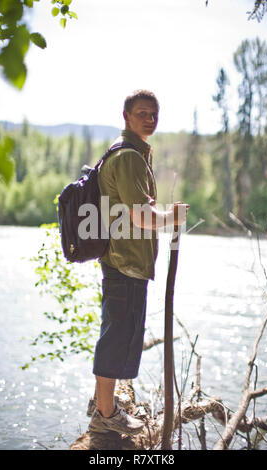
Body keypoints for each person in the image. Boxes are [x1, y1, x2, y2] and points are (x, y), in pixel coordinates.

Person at [88, 90, 189, 435]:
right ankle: (105, 414)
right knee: (117, 336)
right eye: (143, 113)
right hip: (125, 261)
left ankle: (106, 405)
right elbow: (140, 216)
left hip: (123, 260)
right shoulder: (129, 156)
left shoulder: (130, 152)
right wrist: (171, 217)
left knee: (117, 333)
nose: (150, 120)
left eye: (154, 114)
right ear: (126, 115)